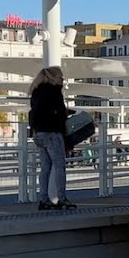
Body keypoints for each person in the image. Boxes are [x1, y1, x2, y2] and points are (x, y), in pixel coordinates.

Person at [28, 66, 76, 210]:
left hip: (39, 133)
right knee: (59, 166)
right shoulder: (54, 91)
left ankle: (43, 199)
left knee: (45, 167)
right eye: (60, 77)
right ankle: (62, 198)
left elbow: (36, 112)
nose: (62, 80)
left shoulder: (36, 91)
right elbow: (60, 113)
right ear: (52, 77)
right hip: (52, 132)